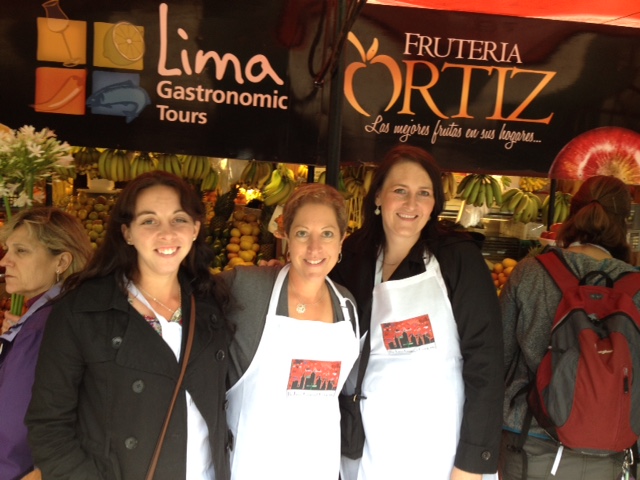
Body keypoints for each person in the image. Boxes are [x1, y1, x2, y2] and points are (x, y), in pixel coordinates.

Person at [25, 171, 233, 480]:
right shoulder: (82, 311)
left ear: (195, 229)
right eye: (149, 221)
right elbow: (49, 426)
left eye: (178, 219)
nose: (166, 234)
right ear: (127, 233)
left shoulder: (210, 303)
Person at [330, 145, 504, 480]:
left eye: (423, 193)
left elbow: (486, 362)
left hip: (440, 449)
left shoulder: (457, 258)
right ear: (378, 196)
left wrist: (472, 462)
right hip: (367, 447)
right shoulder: (351, 257)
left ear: (434, 203)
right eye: (400, 190)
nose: (411, 204)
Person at [500, 174, 640, 479]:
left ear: (572, 213)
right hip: (608, 453)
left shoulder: (529, 273)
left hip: (529, 443)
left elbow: (499, 358)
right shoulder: (636, 288)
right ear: (624, 223)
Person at [221, 182, 360, 480]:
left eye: (327, 234)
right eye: (302, 234)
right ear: (285, 235)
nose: (314, 248)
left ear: (341, 240)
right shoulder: (247, 287)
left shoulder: (346, 305)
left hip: (318, 467)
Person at [0, 207, 92, 480]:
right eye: (7, 250)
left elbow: (11, 427)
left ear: (61, 261)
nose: (5, 261)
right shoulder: (65, 311)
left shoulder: (44, 326)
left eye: (21, 251)